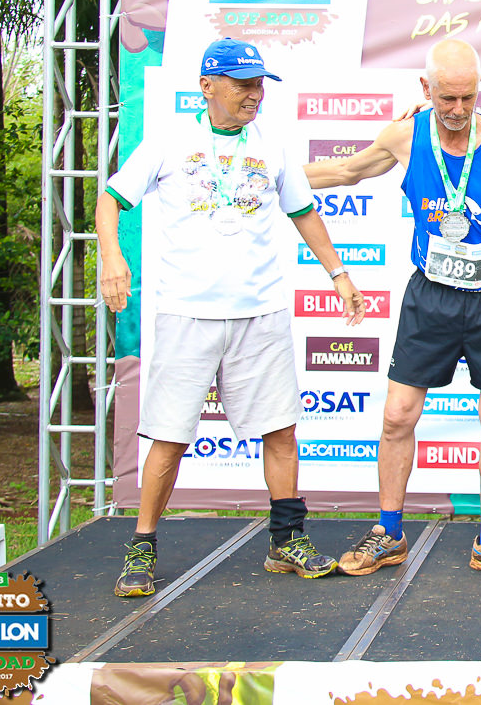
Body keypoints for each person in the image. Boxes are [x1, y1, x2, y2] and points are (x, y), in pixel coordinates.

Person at [99, 37, 367, 597]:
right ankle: (141, 547)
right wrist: (111, 257)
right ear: (207, 86)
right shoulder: (170, 140)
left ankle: (286, 541)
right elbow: (111, 199)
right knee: (168, 437)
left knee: (281, 430)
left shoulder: (272, 144)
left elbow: (304, 212)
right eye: (243, 84)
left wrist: (339, 274)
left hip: (259, 313)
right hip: (187, 313)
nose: (254, 94)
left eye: (259, 84)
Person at [305, 39, 481, 582]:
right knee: (397, 414)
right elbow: (347, 172)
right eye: (447, 98)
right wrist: (271, 175)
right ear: (426, 89)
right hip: (432, 295)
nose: (459, 109)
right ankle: (388, 532)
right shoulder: (405, 135)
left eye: (468, 97)